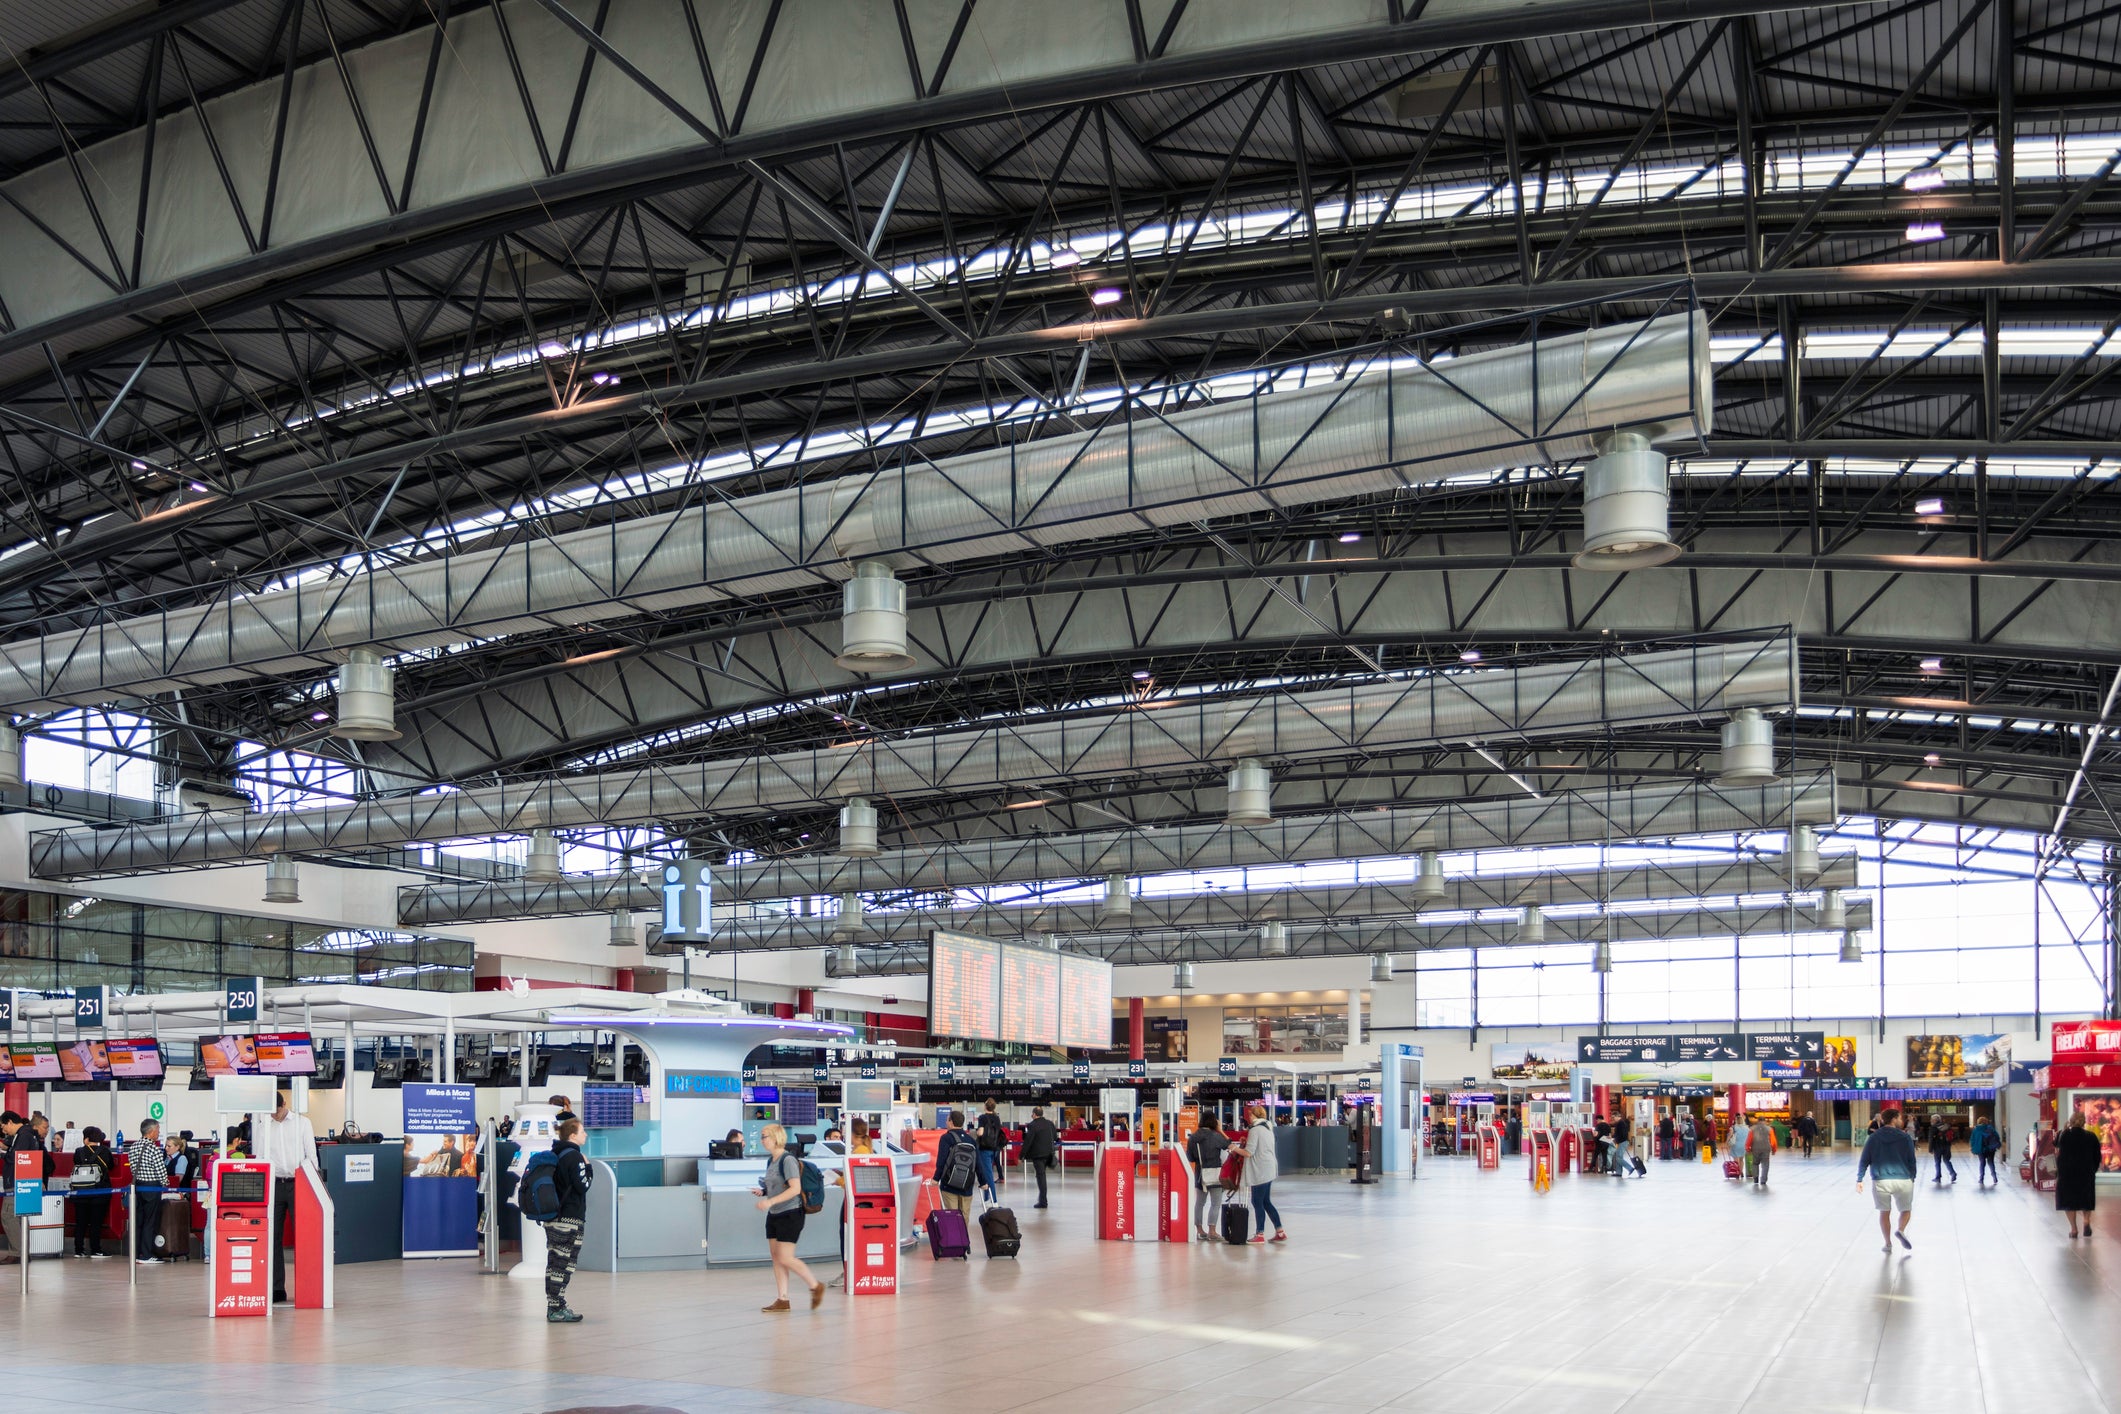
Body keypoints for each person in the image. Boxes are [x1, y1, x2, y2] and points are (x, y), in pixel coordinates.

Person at [752, 1122, 824, 1313]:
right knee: (776, 1257)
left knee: (785, 1257)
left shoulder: (788, 1160)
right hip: (775, 1214)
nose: (762, 1140)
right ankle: (782, 1299)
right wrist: (763, 1192)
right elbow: (777, 1185)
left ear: (776, 1137)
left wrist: (770, 1201)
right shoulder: (771, 1160)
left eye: (764, 1136)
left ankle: (815, 1285)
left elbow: (795, 1189)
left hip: (791, 1213)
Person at [260, 1090, 320, 1303]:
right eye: (271, 1112)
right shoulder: (264, 1126)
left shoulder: (302, 1123)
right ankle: (277, 1288)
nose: (274, 1115)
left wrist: (314, 1183)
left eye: (276, 1111)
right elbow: (261, 1157)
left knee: (303, 1236)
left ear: (284, 1104)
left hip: (299, 1182)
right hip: (275, 1184)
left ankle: (307, 1287)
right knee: (273, 1237)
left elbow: (311, 1155)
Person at [544, 1117, 593, 1323]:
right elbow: (583, 1186)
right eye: (582, 1132)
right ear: (572, 1135)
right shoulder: (575, 1156)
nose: (586, 1135)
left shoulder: (555, 1154)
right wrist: (588, 1167)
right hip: (569, 1219)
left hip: (553, 1217)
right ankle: (556, 1308)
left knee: (554, 1263)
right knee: (564, 1264)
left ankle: (555, 1305)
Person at [1857, 1108, 1918, 1254]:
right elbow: (1911, 1160)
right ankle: (1901, 1230)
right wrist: (1912, 1176)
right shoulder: (1905, 1137)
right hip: (1903, 1179)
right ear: (1894, 1119)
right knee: (1906, 1210)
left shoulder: (1874, 1137)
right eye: (1900, 1118)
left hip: (1881, 1179)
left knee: (1884, 1213)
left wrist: (1860, 1179)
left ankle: (1888, 1244)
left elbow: (1865, 1159)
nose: (1901, 1120)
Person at [0, 1111, 42, 1262]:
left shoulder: (23, 1135)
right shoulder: (28, 1134)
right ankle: (22, 1252)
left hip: (17, 1182)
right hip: (25, 1181)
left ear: (10, 1122)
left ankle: (17, 1253)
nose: (4, 1130)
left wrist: (2, 1154)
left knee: (8, 1216)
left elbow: (16, 1157)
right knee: (21, 1219)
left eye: (3, 1126)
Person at [1240, 1105, 1285, 1245]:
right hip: (1269, 1168)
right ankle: (1280, 1232)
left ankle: (1260, 1234)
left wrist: (1233, 1148)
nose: (1249, 1117)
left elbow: (1249, 1152)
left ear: (1255, 1115)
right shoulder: (1268, 1128)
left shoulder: (1255, 1129)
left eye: (1250, 1114)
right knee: (1266, 1201)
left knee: (1257, 1201)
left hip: (1260, 1170)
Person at [127, 1120, 169, 1263]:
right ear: (152, 1131)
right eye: (158, 1129)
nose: (158, 1132)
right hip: (152, 1187)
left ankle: (135, 1252)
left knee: (138, 1220)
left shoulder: (133, 1146)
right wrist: (166, 1184)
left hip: (137, 1186)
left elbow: (132, 1168)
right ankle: (146, 1254)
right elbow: (161, 1171)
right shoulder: (153, 1148)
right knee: (150, 1221)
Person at [70, 1126, 115, 1258]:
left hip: (80, 1192)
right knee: (96, 1223)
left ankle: (79, 1250)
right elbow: (110, 1166)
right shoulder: (105, 1151)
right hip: (99, 1192)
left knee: (81, 1222)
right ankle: (96, 1249)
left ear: (86, 1139)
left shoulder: (78, 1151)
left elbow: (76, 1163)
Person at [2056, 1110, 2102, 1239]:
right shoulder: (2091, 1136)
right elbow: (2097, 1156)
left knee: (2068, 1201)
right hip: (2086, 1172)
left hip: (2067, 1173)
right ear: (2083, 1122)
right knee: (2086, 1199)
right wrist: (2093, 1169)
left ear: (2071, 1121)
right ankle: (2086, 1221)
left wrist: (2065, 1128)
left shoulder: (2064, 1135)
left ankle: (2074, 1229)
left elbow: (2056, 1146)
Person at [1187, 1114, 1230, 1238]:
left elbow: (1190, 1157)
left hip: (1200, 1175)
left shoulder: (1193, 1138)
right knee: (1215, 1203)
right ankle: (1212, 1231)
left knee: (1200, 1203)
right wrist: (1220, 1130)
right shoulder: (1216, 1136)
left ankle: (1200, 1231)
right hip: (1215, 1174)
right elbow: (1229, 1145)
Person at [934, 1111, 978, 1216]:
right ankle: (963, 1228)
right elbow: (978, 1163)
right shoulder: (971, 1140)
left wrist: (936, 1178)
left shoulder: (946, 1138)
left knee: (951, 1216)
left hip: (949, 1184)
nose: (946, 1122)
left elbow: (941, 1160)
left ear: (951, 1122)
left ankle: (953, 1228)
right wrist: (983, 1181)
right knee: (964, 1215)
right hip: (967, 1184)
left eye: (947, 1120)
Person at [1021, 1105, 1058, 1209]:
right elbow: (1055, 1137)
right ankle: (1042, 1199)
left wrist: (1021, 1155)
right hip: (1049, 1154)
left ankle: (1043, 1202)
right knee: (1042, 1176)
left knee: (1041, 1177)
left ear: (1034, 1114)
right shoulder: (1049, 1123)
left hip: (1038, 1156)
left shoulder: (1032, 1125)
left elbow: (1028, 1141)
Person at [974, 1099, 1005, 1202]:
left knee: (988, 1174)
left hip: (984, 1149)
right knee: (988, 1171)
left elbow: (980, 1133)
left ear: (985, 1106)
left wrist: (976, 1132)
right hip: (995, 1148)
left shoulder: (982, 1117)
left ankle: (994, 1200)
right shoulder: (997, 1118)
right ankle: (986, 1197)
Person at [1969, 1116, 2003, 1185]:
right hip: (1991, 1148)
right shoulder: (1990, 1128)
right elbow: (1997, 1136)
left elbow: (1972, 1140)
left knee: (1982, 1163)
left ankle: (1981, 1179)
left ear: (1978, 1122)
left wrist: (1973, 1147)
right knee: (1991, 1162)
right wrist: (1997, 1144)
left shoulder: (1976, 1129)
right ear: (1986, 1121)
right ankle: (1994, 1177)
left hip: (1981, 1149)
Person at [1749, 1115, 1775, 1187]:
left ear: (1758, 1121)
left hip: (1755, 1148)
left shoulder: (1752, 1129)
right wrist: (1774, 1149)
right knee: (1765, 1165)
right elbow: (1773, 1140)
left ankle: (1755, 1178)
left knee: (1755, 1163)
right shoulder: (1769, 1129)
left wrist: (1747, 1148)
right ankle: (1763, 1180)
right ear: (1765, 1121)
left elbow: (1749, 1139)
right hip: (1766, 1148)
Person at [1929, 1120, 1958, 1184]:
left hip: (1937, 1147)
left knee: (1937, 1162)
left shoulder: (1933, 1128)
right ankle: (1953, 1173)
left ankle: (1938, 1177)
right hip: (1947, 1146)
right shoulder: (1947, 1126)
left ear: (1934, 1120)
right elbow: (1953, 1136)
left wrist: (1930, 1149)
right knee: (1946, 1160)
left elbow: (1931, 1139)